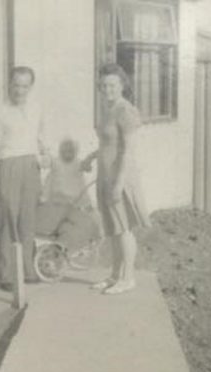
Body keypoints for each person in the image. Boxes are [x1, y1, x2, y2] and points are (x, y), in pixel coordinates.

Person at [82, 63, 150, 295]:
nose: (107, 89)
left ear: (122, 85)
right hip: (105, 173)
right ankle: (114, 275)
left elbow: (127, 150)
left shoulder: (125, 111)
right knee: (112, 227)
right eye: (103, 85)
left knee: (123, 229)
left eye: (112, 85)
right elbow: (107, 143)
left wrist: (119, 182)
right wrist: (90, 158)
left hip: (120, 176)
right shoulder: (108, 109)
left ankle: (128, 278)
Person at [0, 66, 44, 290]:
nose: (20, 90)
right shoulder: (1, 111)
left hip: (30, 165)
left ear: (30, 87)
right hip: (8, 166)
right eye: (16, 85)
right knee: (7, 219)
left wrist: (43, 164)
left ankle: (28, 270)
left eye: (25, 86)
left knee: (28, 219)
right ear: (10, 84)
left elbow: (40, 139)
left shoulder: (37, 108)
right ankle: (7, 275)